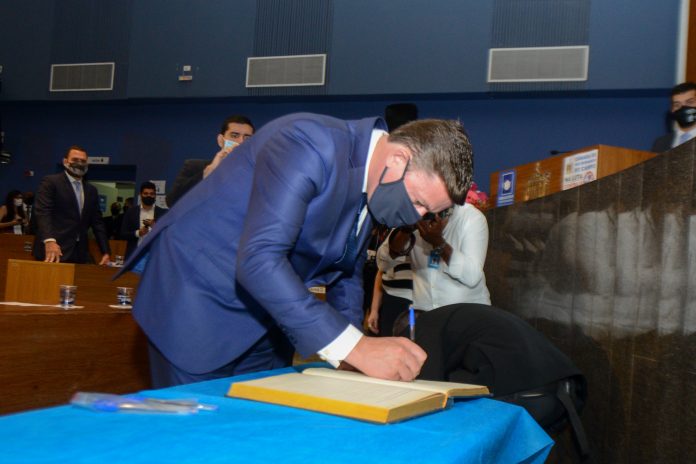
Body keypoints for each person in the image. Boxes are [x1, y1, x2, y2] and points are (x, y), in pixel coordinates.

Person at [118, 112, 474, 388]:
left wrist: (350, 355)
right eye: (418, 202)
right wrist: (355, 347)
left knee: (258, 435)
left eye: (428, 211)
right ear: (397, 159)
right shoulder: (309, 142)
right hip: (197, 298)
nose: (417, 217)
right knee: (197, 443)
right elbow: (259, 259)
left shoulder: (373, 182)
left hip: (266, 317)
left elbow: (345, 270)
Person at [395, 303, 589, 461]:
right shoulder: (456, 318)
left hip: (524, 392)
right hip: (564, 391)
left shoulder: (423, 332)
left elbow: (426, 393)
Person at [375, 200, 490, 331]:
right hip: (427, 319)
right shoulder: (413, 216)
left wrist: (439, 243)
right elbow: (382, 264)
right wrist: (405, 231)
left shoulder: (470, 217)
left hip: (467, 319)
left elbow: (472, 277)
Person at [32, 146, 111, 264]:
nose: (79, 163)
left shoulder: (91, 190)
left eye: (83, 161)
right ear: (65, 162)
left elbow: (97, 222)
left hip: (80, 253)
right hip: (54, 250)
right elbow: (43, 212)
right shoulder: (51, 182)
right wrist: (49, 241)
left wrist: (105, 251)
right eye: (75, 160)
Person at [166, 115, 255, 207]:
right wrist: (207, 173)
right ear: (221, 140)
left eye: (247, 138)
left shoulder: (260, 173)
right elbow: (172, 201)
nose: (241, 142)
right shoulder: (195, 167)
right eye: (234, 136)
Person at [120, 181, 167, 259]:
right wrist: (138, 233)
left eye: (151, 194)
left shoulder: (163, 213)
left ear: (155, 196)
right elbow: (123, 234)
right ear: (141, 195)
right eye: (146, 193)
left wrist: (156, 227)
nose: (149, 196)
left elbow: (168, 235)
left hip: (155, 257)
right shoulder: (131, 212)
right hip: (134, 256)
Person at [651, 82, 696, 152]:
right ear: (672, 109)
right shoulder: (661, 143)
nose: (683, 108)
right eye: (677, 105)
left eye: (689, 102)